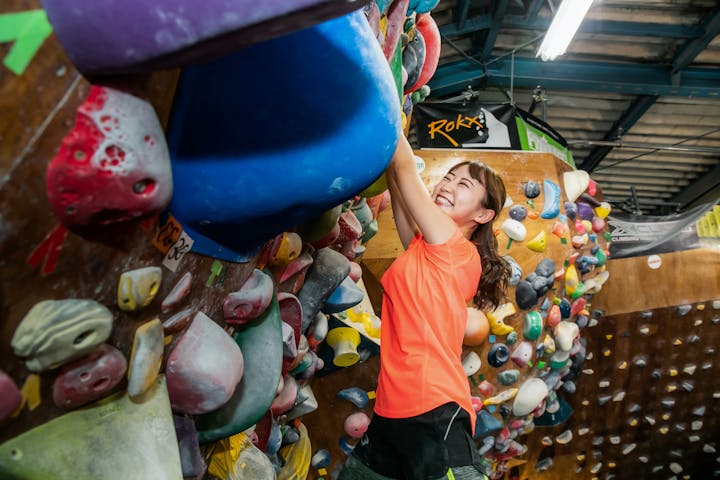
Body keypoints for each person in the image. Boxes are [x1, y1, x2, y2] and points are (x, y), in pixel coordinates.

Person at [339, 134, 510, 480]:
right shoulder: (426, 247)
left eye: (464, 184)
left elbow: (404, 168)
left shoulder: (453, 246)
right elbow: (398, 183)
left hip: (432, 403)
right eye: (448, 177)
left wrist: (390, 106)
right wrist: (391, 166)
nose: (448, 185)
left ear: (483, 214)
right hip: (392, 409)